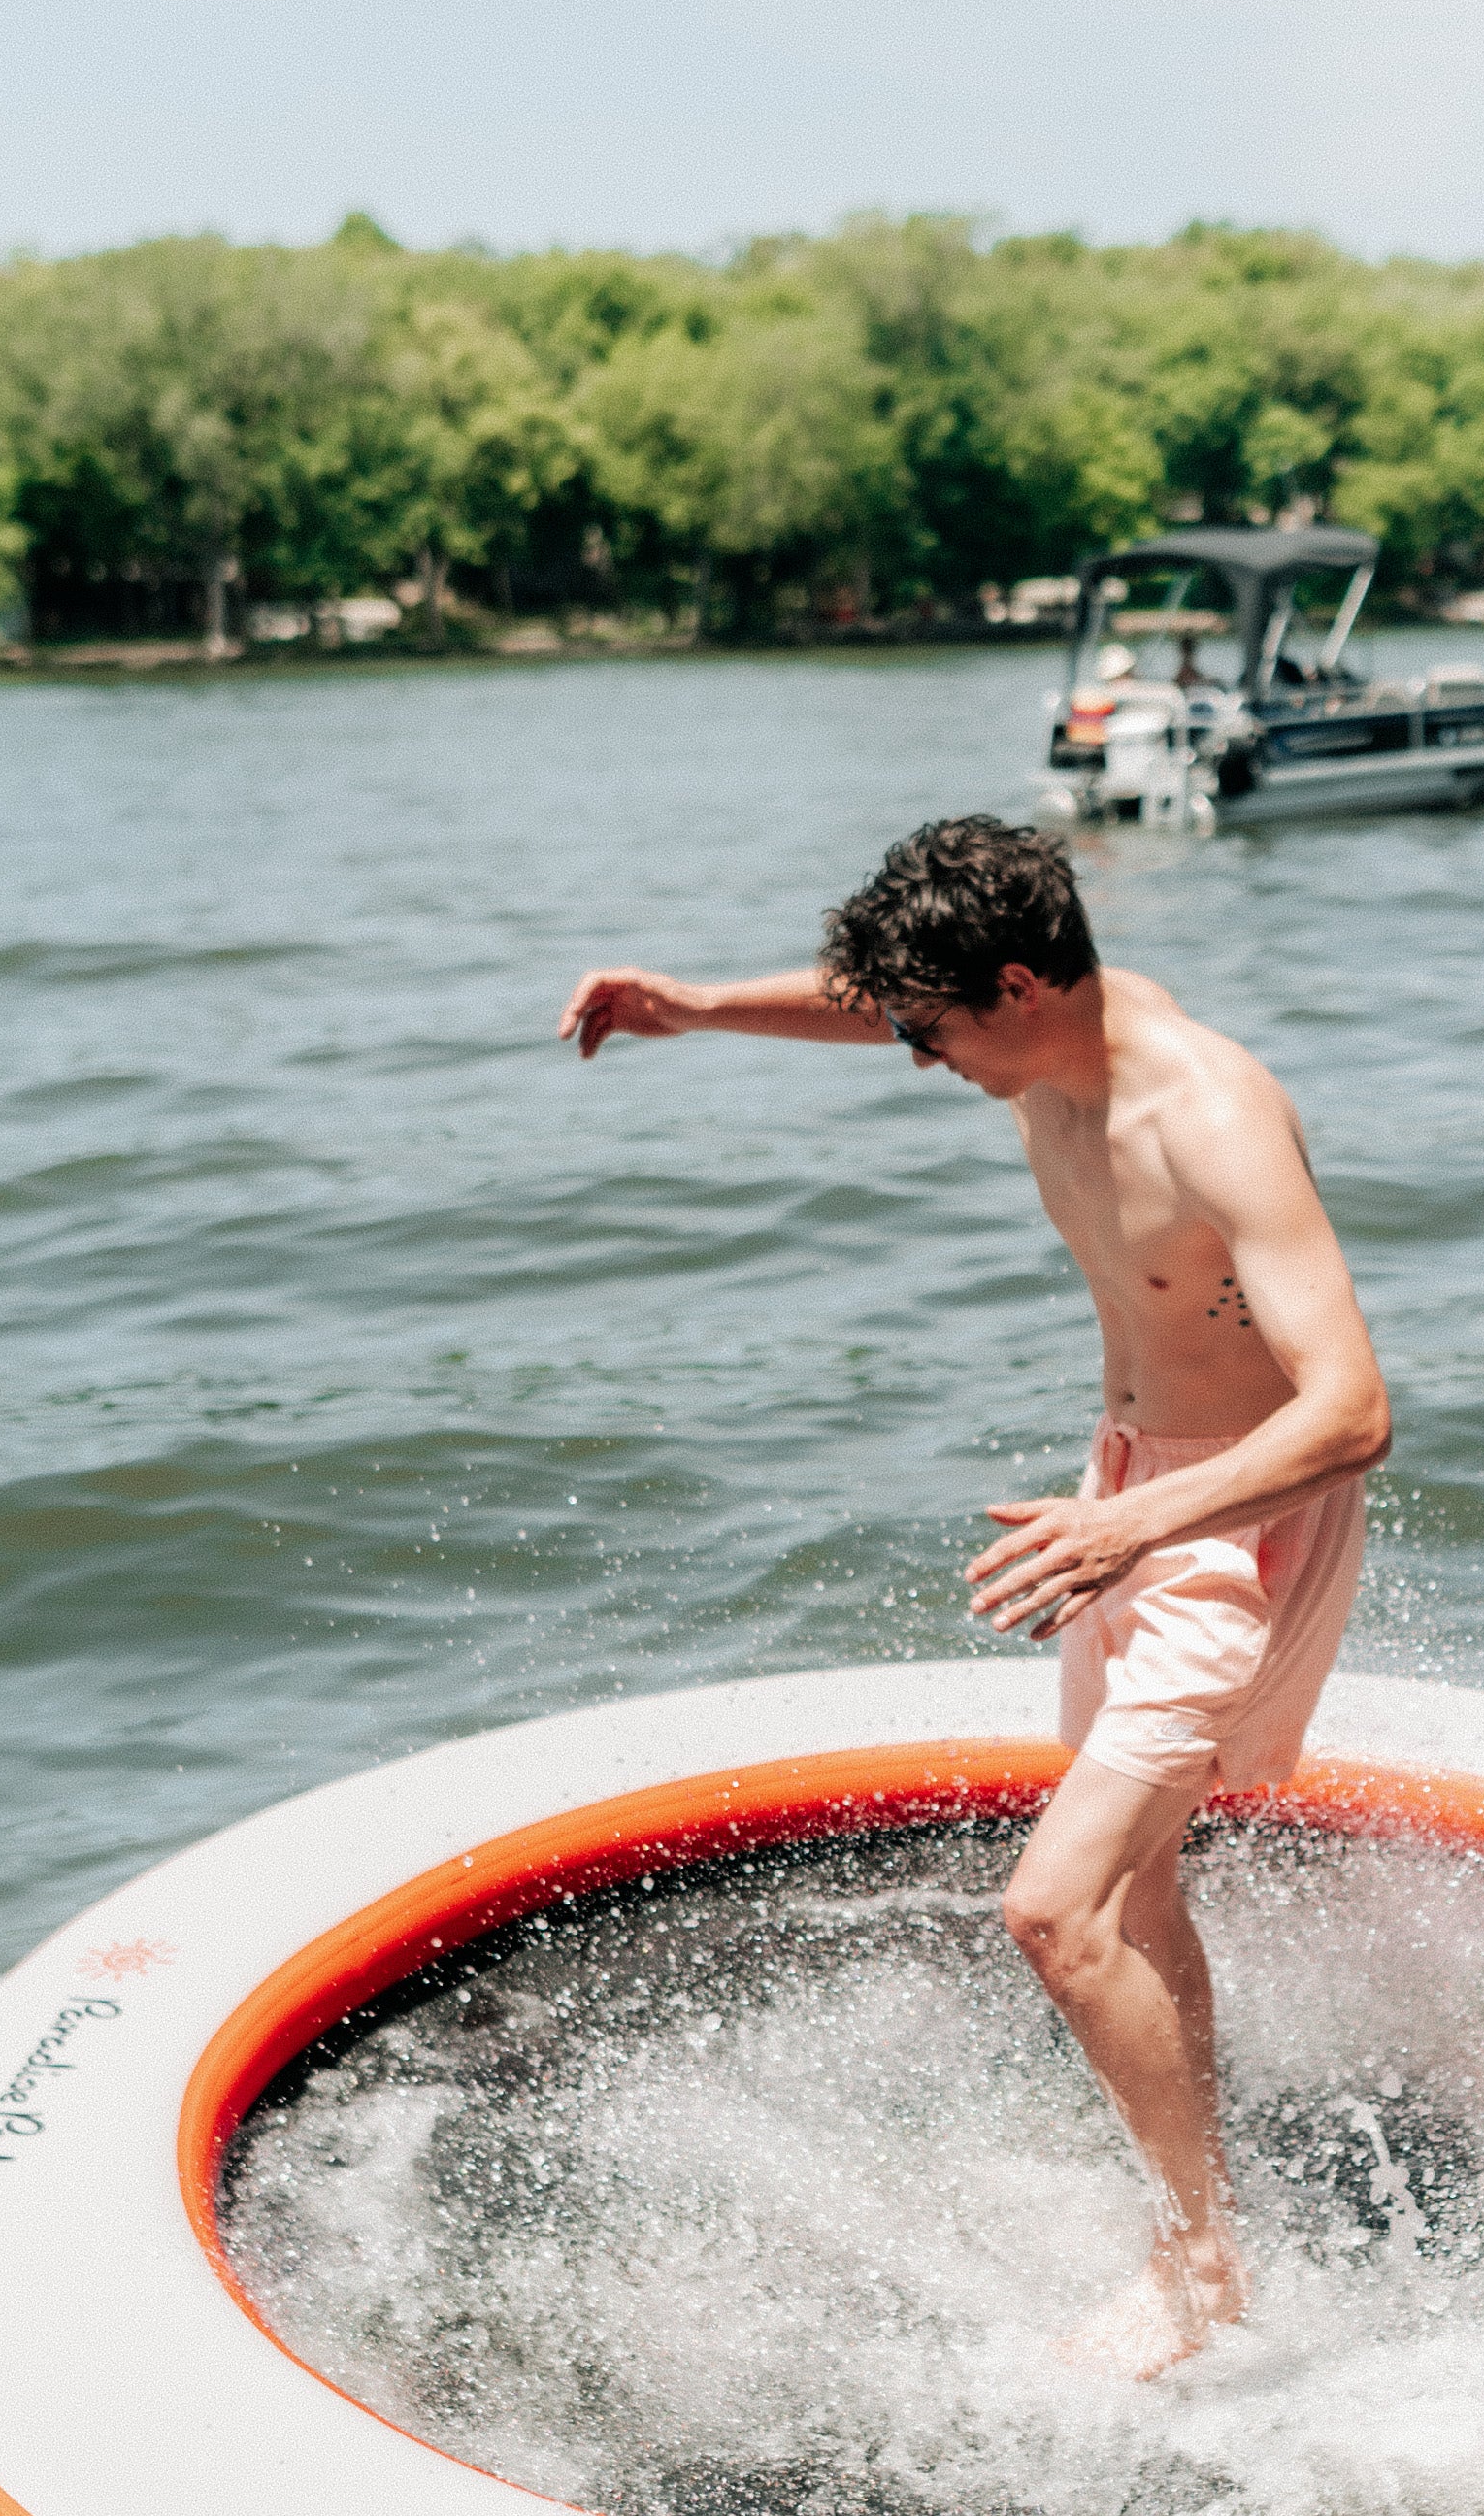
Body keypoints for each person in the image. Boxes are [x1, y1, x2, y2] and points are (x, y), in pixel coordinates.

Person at [558, 814, 1390, 2373]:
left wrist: (1132, 1530)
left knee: (1054, 1911)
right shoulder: (1045, 1036)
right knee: (1140, 1892)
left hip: (1230, 1517)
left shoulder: (1208, 1113)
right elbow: (865, 998)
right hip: (1129, 1492)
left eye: (930, 1031)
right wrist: (694, 1006)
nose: (915, 1057)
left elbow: (1351, 1412)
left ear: (1017, 986)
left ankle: (1200, 2265)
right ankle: (1203, 2212)